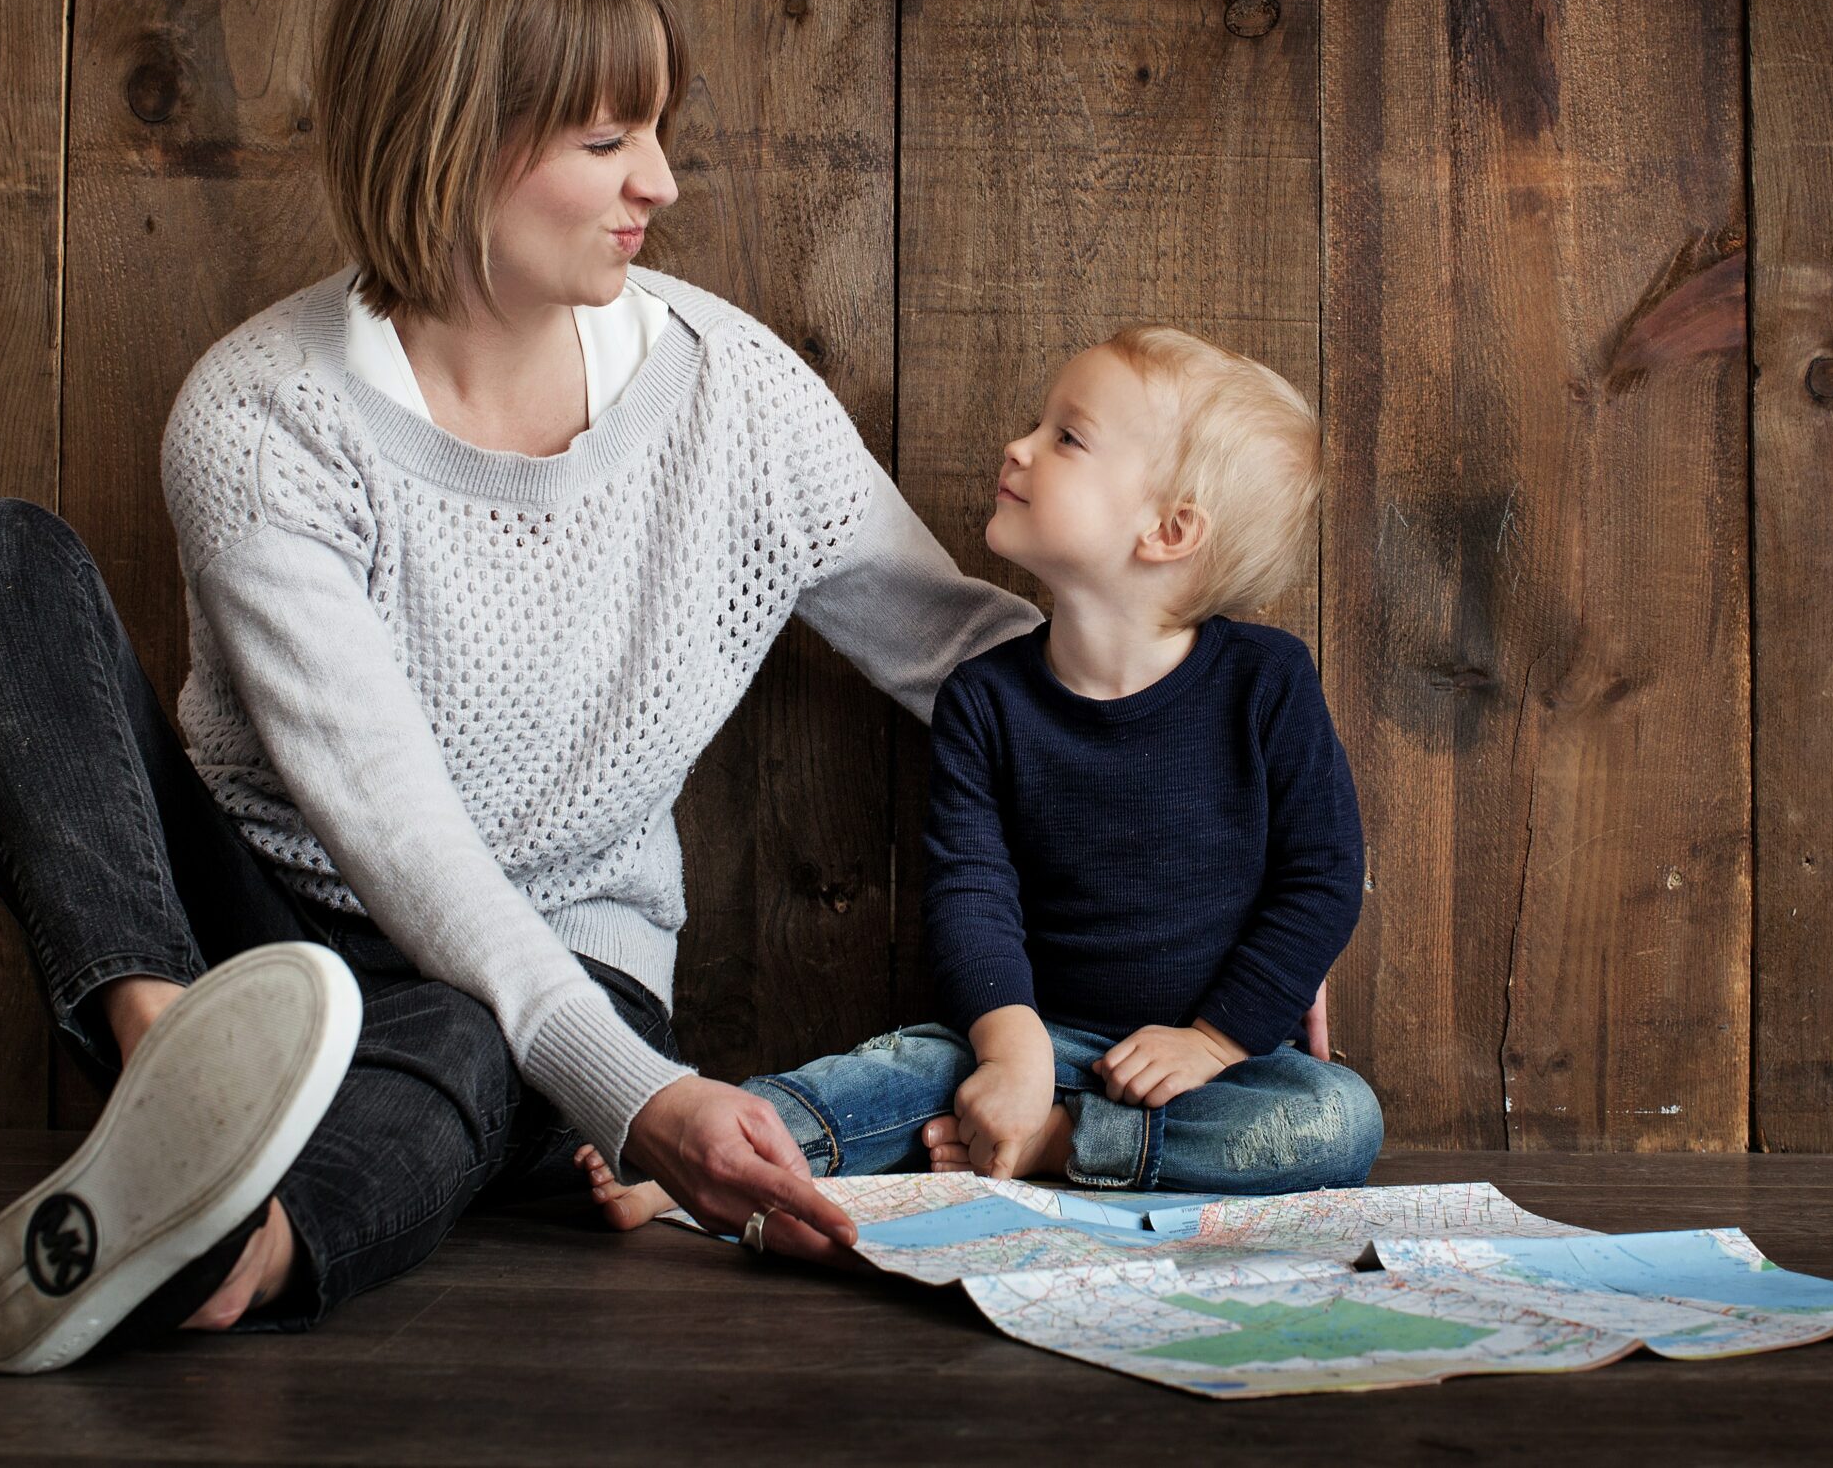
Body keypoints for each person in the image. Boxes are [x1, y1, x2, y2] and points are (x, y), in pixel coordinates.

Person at [0, 0, 1043, 1374]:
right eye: (607, 139)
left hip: (556, 963)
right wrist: (641, 1103)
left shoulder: (732, 396)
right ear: (458, 135)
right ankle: (174, 1070)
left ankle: (235, 1242)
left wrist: (1229, 820)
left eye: (656, 130)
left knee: (455, 1032)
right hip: (250, 930)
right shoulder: (263, 417)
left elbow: (967, 656)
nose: (663, 181)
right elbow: (394, 825)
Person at [582, 325, 1380, 1230]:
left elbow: (1320, 877)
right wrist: (1009, 1048)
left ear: (1169, 530)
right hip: (1032, 1032)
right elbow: (972, 891)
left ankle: (1063, 1145)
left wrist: (1216, 1038)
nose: (1020, 445)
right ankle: (706, 1159)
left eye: (1066, 437)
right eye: (1039, 424)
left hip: (1205, 1070)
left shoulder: (1266, 683)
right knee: (894, 1072)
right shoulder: (988, 700)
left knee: (1337, 1119)